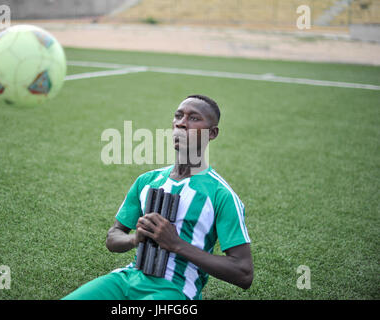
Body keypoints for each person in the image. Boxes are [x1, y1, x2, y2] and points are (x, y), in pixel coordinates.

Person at [62, 94, 253, 300]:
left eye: (194, 118)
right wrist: (134, 239)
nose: (181, 123)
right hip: (127, 279)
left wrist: (176, 244)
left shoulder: (221, 195)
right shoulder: (147, 181)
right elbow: (113, 237)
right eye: (178, 116)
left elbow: (244, 273)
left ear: (212, 133)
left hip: (174, 290)